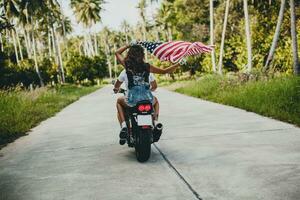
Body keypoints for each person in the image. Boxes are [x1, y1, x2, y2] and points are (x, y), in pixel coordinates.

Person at [114, 44, 180, 145]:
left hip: (132, 100)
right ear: (142, 55)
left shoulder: (127, 65)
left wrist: (128, 45)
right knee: (156, 101)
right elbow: (164, 71)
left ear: (130, 54)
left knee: (119, 101)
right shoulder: (147, 67)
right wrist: (177, 64)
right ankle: (156, 122)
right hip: (147, 98)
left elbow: (117, 52)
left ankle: (123, 126)